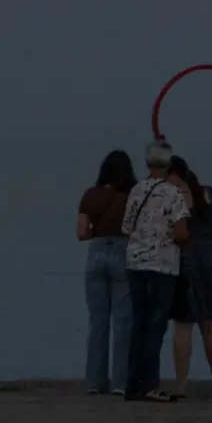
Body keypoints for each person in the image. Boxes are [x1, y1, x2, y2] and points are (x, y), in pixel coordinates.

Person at [120, 140, 191, 402]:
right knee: (155, 326)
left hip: (135, 263)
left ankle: (132, 383)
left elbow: (126, 227)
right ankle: (150, 384)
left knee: (138, 324)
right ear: (169, 164)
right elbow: (182, 233)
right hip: (161, 265)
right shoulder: (173, 193)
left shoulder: (137, 190)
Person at [166, 155, 212, 399]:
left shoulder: (171, 195)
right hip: (210, 259)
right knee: (211, 326)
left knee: (183, 326)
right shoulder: (209, 193)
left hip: (183, 259)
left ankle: (181, 386)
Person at [76, 149, 137, 395]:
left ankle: (94, 382)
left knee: (98, 321)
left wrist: (98, 232)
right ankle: (120, 383)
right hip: (123, 252)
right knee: (123, 322)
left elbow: (81, 233)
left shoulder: (90, 195)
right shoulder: (133, 195)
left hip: (97, 252)